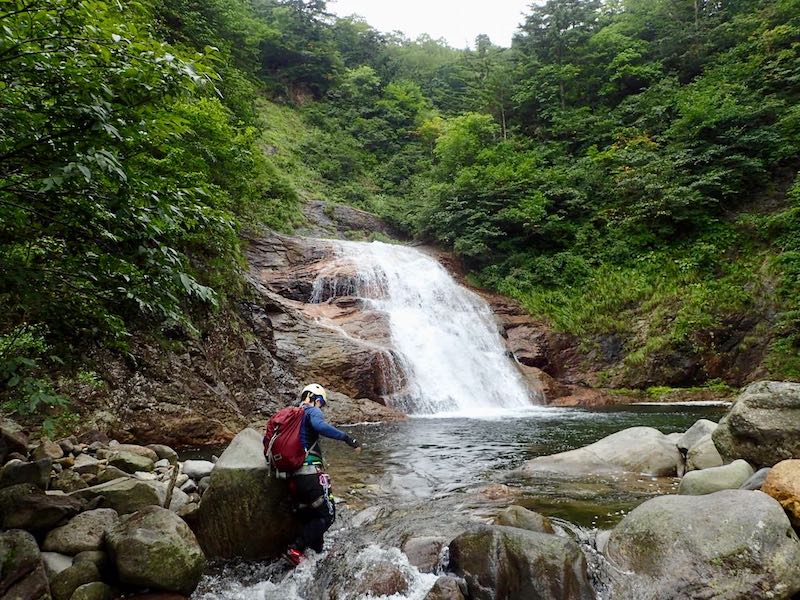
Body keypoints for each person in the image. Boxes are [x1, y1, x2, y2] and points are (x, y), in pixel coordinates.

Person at [284, 383, 361, 566]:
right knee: (328, 515)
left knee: (311, 514)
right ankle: (295, 548)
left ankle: (316, 553)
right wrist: (347, 439)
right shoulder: (311, 411)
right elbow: (319, 426)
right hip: (310, 472)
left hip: (291, 477)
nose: (322, 407)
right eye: (322, 403)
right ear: (315, 399)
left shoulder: (290, 415)